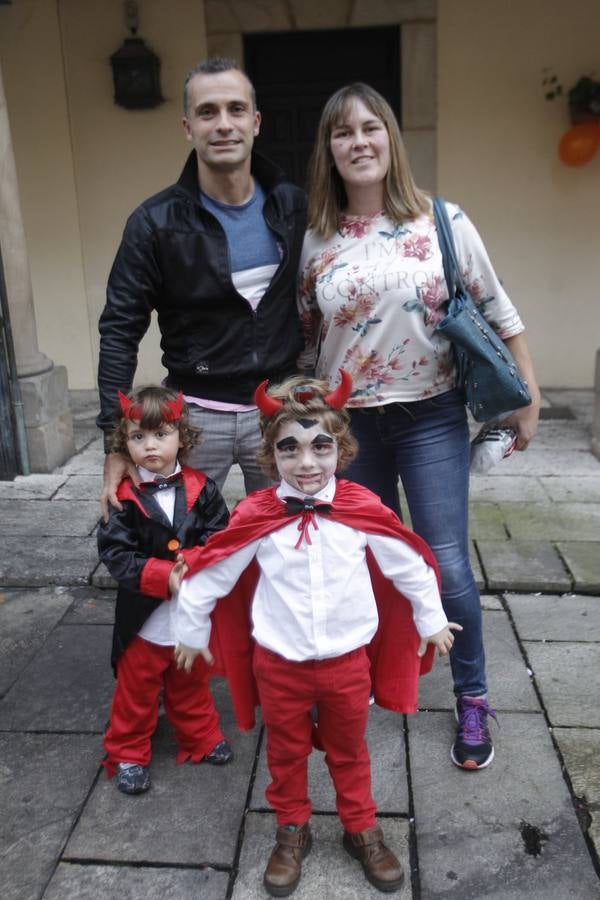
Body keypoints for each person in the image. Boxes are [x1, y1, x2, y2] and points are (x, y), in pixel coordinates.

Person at [297, 83, 541, 771]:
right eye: (343, 132)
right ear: (329, 149)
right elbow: (308, 343)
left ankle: (472, 696)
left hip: (431, 416)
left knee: (446, 561)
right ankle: (365, 681)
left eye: (371, 128)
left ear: (391, 138)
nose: (359, 142)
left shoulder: (442, 220)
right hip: (350, 427)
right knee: (366, 559)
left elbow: (500, 311)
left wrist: (528, 395)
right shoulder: (314, 239)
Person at [173, 373, 460, 896]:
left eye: (320, 447)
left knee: (349, 749)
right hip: (278, 664)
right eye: (290, 449)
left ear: (340, 450)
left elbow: (409, 563)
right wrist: (190, 630)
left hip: (347, 663)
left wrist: (431, 619)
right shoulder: (257, 515)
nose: (306, 463)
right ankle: (291, 829)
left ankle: (361, 827)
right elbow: (211, 572)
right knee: (285, 752)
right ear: (271, 454)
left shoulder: (360, 509)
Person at [97, 57, 307, 521]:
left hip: (278, 410)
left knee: (285, 540)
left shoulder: (293, 206)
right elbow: (119, 330)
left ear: (255, 122)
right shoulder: (154, 223)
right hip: (192, 417)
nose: (224, 124)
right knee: (175, 540)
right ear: (188, 127)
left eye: (236, 109)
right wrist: (115, 443)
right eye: (208, 112)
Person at [97, 386, 232, 795]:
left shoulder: (203, 488)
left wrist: (196, 560)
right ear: (125, 443)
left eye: (160, 434)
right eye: (138, 437)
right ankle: (127, 751)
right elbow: (116, 553)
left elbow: (220, 535)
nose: (150, 445)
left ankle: (200, 735)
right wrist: (162, 575)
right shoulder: (122, 496)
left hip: (190, 614)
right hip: (145, 619)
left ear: (182, 437)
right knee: (136, 689)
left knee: (191, 680)